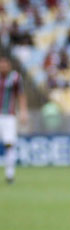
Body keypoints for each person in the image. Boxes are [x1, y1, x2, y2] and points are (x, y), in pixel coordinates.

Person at [0, 56, 27, 184]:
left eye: (5, 64)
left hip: (9, 115)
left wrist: (23, 111)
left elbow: (21, 95)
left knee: (9, 145)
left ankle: (9, 175)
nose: (3, 66)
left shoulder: (15, 78)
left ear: (9, 65)